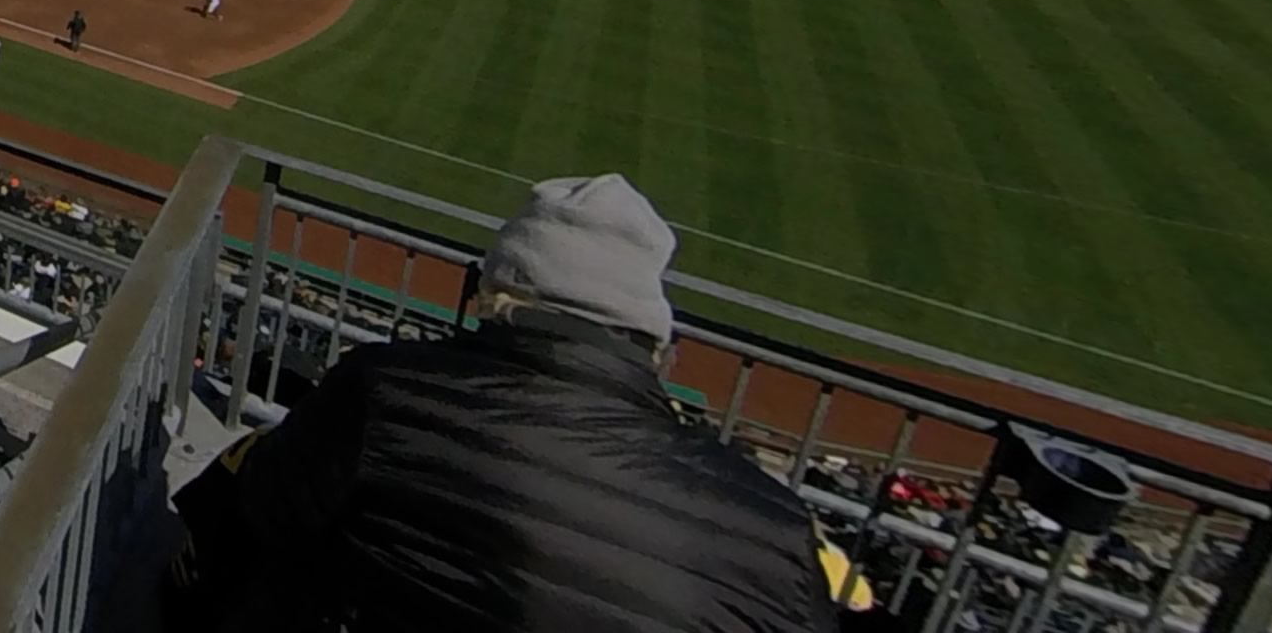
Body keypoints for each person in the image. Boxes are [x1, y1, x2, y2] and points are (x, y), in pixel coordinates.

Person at [160, 174, 838, 633]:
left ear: (493, 299)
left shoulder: (386, 396)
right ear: (657, 346)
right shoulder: (779, 531)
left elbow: (245, 519)